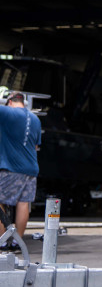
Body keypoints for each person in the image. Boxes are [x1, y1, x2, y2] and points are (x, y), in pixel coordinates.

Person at [0, 92, 42, 247]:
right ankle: (18, 242)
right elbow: (36, 146)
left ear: (10, 102)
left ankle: (2, 241)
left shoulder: (8, 112)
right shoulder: (36, 119)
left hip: (12, 169)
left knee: (0, 202)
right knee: (23, 203)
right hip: (31, 169)